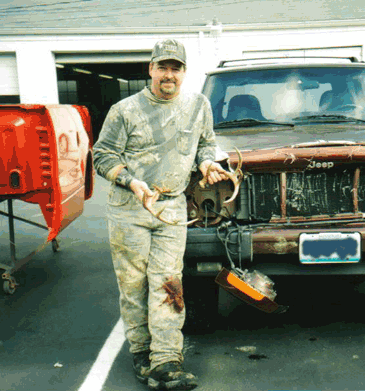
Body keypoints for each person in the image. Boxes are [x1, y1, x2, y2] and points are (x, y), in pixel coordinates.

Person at [93, 38, 228, 391]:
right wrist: (132, 182)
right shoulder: (124, 110)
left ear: (184, 72)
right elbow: (102, 156)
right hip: (130, 208)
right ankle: (142, 353)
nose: (169, 75)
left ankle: (167, 359)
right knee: (134, 285)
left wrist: (207, 163)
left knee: (169, 281)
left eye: (176, 68)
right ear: (150, 69)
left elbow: (205, 143)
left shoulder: (199, 105)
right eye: (162, 67)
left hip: (171, 208)